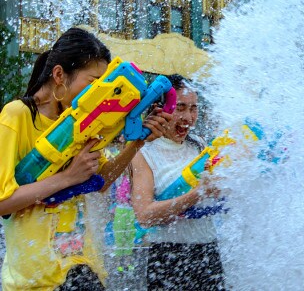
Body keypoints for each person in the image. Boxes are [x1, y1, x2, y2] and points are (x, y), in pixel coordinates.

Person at [0, 27, 169, 290]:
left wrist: (137, 143)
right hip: (33, 280)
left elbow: (100, 182)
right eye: (92, 84)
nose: (98, 94)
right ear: (59, 75)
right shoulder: (17, 116)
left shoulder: (82, 122)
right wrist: (67, 177)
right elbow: (3, 202)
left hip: (83, 269)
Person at [130, 74, 226, 291]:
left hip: (208, 252)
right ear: (160, 109)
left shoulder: (199, 145)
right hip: (168, 257)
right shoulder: (143, 152)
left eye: (193, 109)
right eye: (180, 108)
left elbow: (214, 191)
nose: (189, 117)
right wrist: (195, 194)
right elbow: (144, 215)